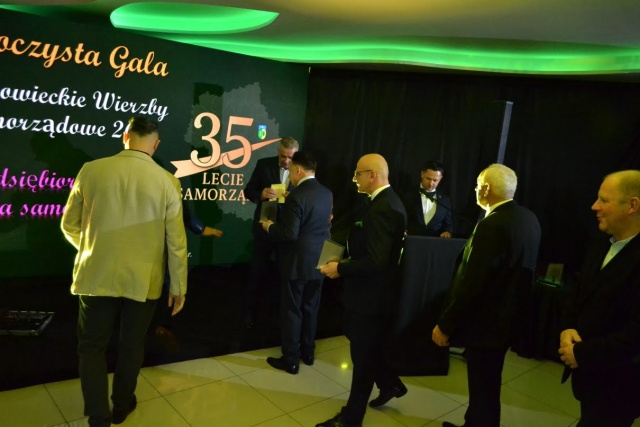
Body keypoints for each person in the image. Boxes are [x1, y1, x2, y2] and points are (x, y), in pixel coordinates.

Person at [60, 116, 188, 427]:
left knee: (91, 347)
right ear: (156, 145)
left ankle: (98, 415)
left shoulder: (91, 170)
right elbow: (176, 243)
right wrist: (178, 286)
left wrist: (94, 250)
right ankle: (121, 405)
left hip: (95, 274)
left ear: (125, 136)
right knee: (132, 345)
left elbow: (69, 225)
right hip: (143, 280)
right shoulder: (167, 181)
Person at [432, 163, 541, 427]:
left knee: (482, 387)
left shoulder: (491, 225)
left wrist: (446, 324)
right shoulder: (529, 218)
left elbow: (471, 283)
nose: (475, 190)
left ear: (486, 188)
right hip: (508, 320)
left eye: (477, 185)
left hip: (485, 324)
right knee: (488, 385)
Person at [318, 153, 407, 427]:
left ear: (372, 175)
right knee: (364, 347)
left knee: (363, 360)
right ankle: (390, 383)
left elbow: (376, 262)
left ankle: (351, 418)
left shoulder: (383, 208)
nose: (354, 178)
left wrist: (340, 268)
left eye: (358, 173)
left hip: (371, 298)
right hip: (370, 296)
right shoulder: (384, 202)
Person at [558, 170, 640, 427]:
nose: (594, 206)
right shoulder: (602, 242)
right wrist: (568, 328)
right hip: (590, 381)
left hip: (619, 387)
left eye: (604, 200)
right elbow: (579, 292)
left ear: (632, 206)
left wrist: (582, 353)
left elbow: (635, 335)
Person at [260, 151, 333, 374]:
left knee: (292, 310)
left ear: (298, 170)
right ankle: (308, 353)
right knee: (311, 308)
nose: (290, 175)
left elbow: (288, 234)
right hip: (320, 261)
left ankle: (291, 359)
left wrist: (269, 226)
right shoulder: (327, 193)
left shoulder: (297, 196)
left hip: (296, 263)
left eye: (291, 171)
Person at [243, 136, 299, 329]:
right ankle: (249, 313)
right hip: (264, 229)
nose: (286, 161)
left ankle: (277, 315)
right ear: (278, 151)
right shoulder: (264, 164)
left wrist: (294, 198)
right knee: (257, 272)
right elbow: (248, 191)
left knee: (283, 275)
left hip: (286, 231)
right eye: (283, 156)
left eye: (290, 157)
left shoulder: (301, 171)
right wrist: (261, 194)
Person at [404, 160, 453, 237]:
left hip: (435, 242)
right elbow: (401, 218)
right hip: (413, 240)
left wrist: (447, 232)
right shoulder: (408, 195)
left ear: (441, 178)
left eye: (435, 180)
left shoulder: (445, 200)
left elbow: (448, 224)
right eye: (428, 179)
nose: (431, 183)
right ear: (422, 174)